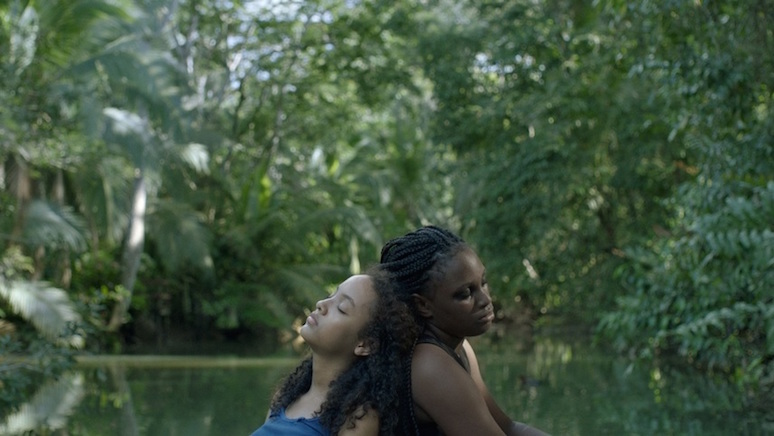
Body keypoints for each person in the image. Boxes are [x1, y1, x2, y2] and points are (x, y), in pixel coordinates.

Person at [380, 225, 549, 436]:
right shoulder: (430, 364)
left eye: (483, 283)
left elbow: (508, 427)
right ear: (423, 305)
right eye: (465, 293)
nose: (486, 299)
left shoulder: (461, 348)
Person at [250, 266, 418, 436]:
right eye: (330, 296)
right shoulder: (285, 396)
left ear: (365, 345)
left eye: (341, 308)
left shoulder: (356, 418)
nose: (321, 304)